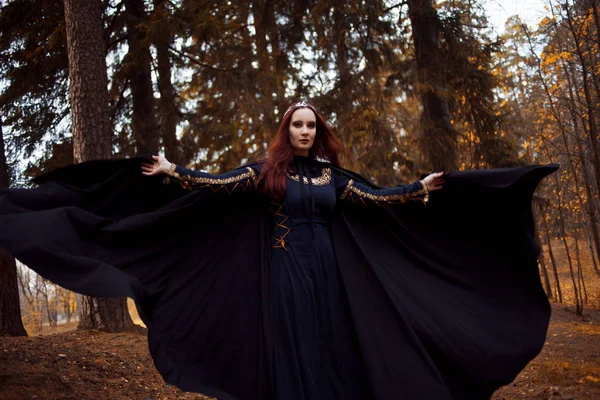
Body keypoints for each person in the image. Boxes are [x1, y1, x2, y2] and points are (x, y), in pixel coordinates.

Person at [0, 101, 558, 400]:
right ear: (285, 130)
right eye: (297, 125)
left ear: (319, 131)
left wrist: (418, 189)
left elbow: (375, 198)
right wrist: (175, 172)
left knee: (332, 342)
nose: (306, 132)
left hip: (330, 272)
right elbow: (218, 184)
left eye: (312, 125)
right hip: (286, 271)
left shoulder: (332, 178)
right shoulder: (266, 173)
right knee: (294, 344)